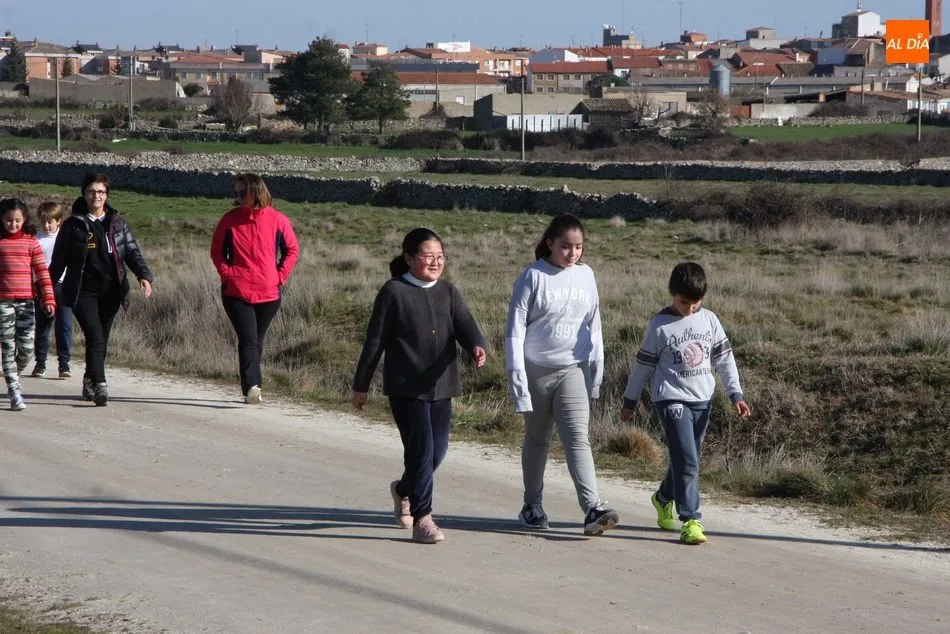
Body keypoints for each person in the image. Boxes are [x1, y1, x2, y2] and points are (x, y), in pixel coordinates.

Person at [352, 228, 487, 544]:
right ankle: (423, 519)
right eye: (428, 256)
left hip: (442, 383)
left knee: (436, 452)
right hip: (406, 387)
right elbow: (374, 341)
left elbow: (465, 324)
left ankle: (403, 489)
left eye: (440, 256)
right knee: (421, 450)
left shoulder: (448, 291)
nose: (436, 262)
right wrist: (361, 384)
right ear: (409, 258)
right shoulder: (393, 292)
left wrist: (476, 345)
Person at [621, 262, 751, 545]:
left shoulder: (710, 320)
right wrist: (630, 399)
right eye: (683, 302)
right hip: (671, 398)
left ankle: (663, 497)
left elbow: (725, 360)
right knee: (688, 460)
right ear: (672, 293)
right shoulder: (659, 326)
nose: (690, 308)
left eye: (696, 302)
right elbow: (643, 367)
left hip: (702, 399)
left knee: (685, 458)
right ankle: (691, 520)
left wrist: (735, 394)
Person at [505, 213, 619, 537]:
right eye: (566, 246)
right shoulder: (533, 276)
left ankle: (593, 509)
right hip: (536, 369)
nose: (572, 253)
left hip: (574, 368)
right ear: (550, 244)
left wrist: (596, 369)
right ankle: (532, 505)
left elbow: (594, 326)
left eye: (579, 247)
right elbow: (514, 331)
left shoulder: (586, 275)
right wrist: (517, 380)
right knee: (537, 439)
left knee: (577, 437)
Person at [49, 173, 155, 407]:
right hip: (82, 291)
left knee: (100, 340)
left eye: (100, 192)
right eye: (91, 191)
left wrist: (144, 276)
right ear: (84, 194)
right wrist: (45, 290)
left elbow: (132, 252)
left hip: (111, 291)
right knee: (95, 335)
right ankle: (100, 384)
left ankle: (89, 379)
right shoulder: (72, 226)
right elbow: (58, 262)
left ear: (107, 195)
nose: (96, 196)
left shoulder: (118, 223)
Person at [211, 173, 299, 405]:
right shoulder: (229, 220)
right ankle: (252, 387)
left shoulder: (278, 220)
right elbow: (216, 251)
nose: (238, 197)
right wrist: (228, 274)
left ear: (255, 192)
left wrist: (280, 276)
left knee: (256, 341)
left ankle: (253, 386)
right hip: (236, 293)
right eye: (235, 193)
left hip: (269, 294)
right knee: (249, 340)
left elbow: (292, 250)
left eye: (242, 193)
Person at [0, 198, 55, 411]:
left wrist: (48, 298)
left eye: (17, 220)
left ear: (24, 219)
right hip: (3, 303)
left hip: (27, 303)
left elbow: (42, 273)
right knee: (8, 348)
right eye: (8, 220)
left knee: (27, 349)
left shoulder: (31, 242)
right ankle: (14, 391)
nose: (13, 224)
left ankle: (13, 373)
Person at [31, 202, 73, 379]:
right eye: (43, 222)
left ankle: (64, 364)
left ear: (58, 221)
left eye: (50, 222)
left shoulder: (65, 238)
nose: (46, 226)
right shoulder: (36, 239)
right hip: (41, 286)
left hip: (62, 285)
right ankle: (40, 362)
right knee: (42, 326)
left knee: (64, 325)